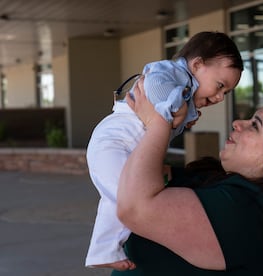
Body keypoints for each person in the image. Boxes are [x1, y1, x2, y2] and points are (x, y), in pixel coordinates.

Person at [113, 79, 263, 275]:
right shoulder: (217, 178)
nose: (237, 123)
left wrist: (159, 122)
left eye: (255, 125)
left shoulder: (248, 210)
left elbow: (133, 208)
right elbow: (132, 176)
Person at [85, 31, 244, 270]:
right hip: (114, 142)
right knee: (131, 197)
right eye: (220, 86)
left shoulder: (184, 88)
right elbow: (154, 86)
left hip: (124, 147)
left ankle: (103, 250)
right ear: (197, 64)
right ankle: (104, 249)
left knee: (122, 197)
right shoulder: (171, 72)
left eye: (226, 93)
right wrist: (177, 108)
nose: (220, 97)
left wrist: (183, 116)